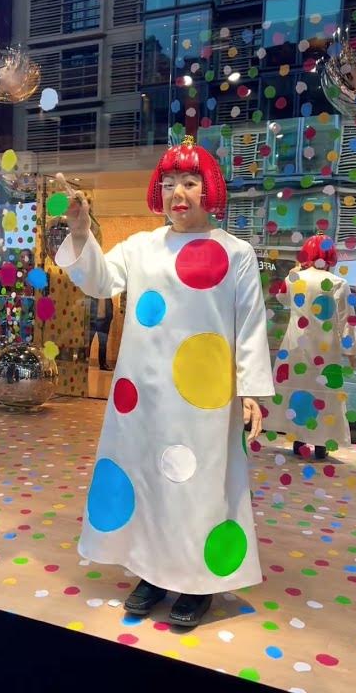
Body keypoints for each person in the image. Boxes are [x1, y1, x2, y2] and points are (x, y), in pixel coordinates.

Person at [51, 136, 273, 628]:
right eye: (170, 183)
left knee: (200, 485)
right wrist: (84, 234)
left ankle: (196, 582)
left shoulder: (236, 253)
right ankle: (152, 571)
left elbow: (251, 324)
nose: (179, 193)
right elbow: (100, 281)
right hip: (145, 393)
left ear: (208, 188)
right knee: (149, 479)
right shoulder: (141, 247)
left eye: (190, 182)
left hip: (207, 398)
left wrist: (252, 392)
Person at [266, 235, 356, 460]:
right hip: (326, 348)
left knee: (298, 391)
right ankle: (321, 443)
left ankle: (299, 440)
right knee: (325, 395)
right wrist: (352, 351)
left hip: (295, 345)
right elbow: (347, 319)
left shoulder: (294, 278)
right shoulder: (339, 283)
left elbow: (282, 299)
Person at [87, 296, 114, 370]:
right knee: (88, 343)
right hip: (92, 322)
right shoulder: (93, 294)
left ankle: (103, 364)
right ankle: (85, 362)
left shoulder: (107, 296)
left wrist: (109, 318)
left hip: (104, 322)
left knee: (103, 344)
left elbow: (110, 308)